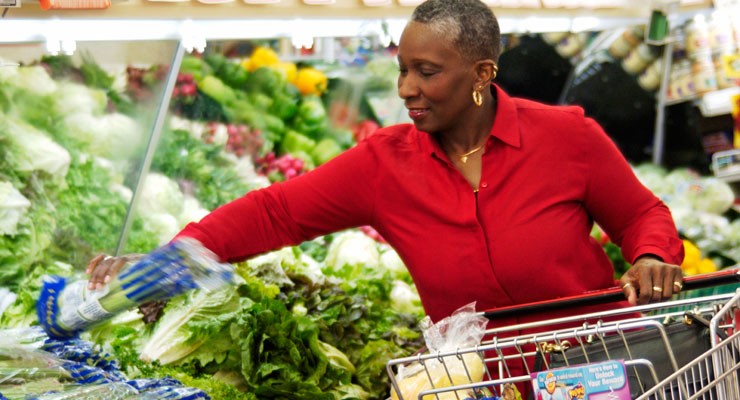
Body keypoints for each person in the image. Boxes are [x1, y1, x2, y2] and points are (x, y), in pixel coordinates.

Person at [87, 0, 685, 395]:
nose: (406, 89)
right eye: (401, 70)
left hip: (600, 369)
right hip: (475, 383)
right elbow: (274, 212)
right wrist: (168, 261)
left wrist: (652, 255)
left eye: (427, 72)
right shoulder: (384, 164)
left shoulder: (566, 137)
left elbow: (641, 214)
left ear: (482, 74)